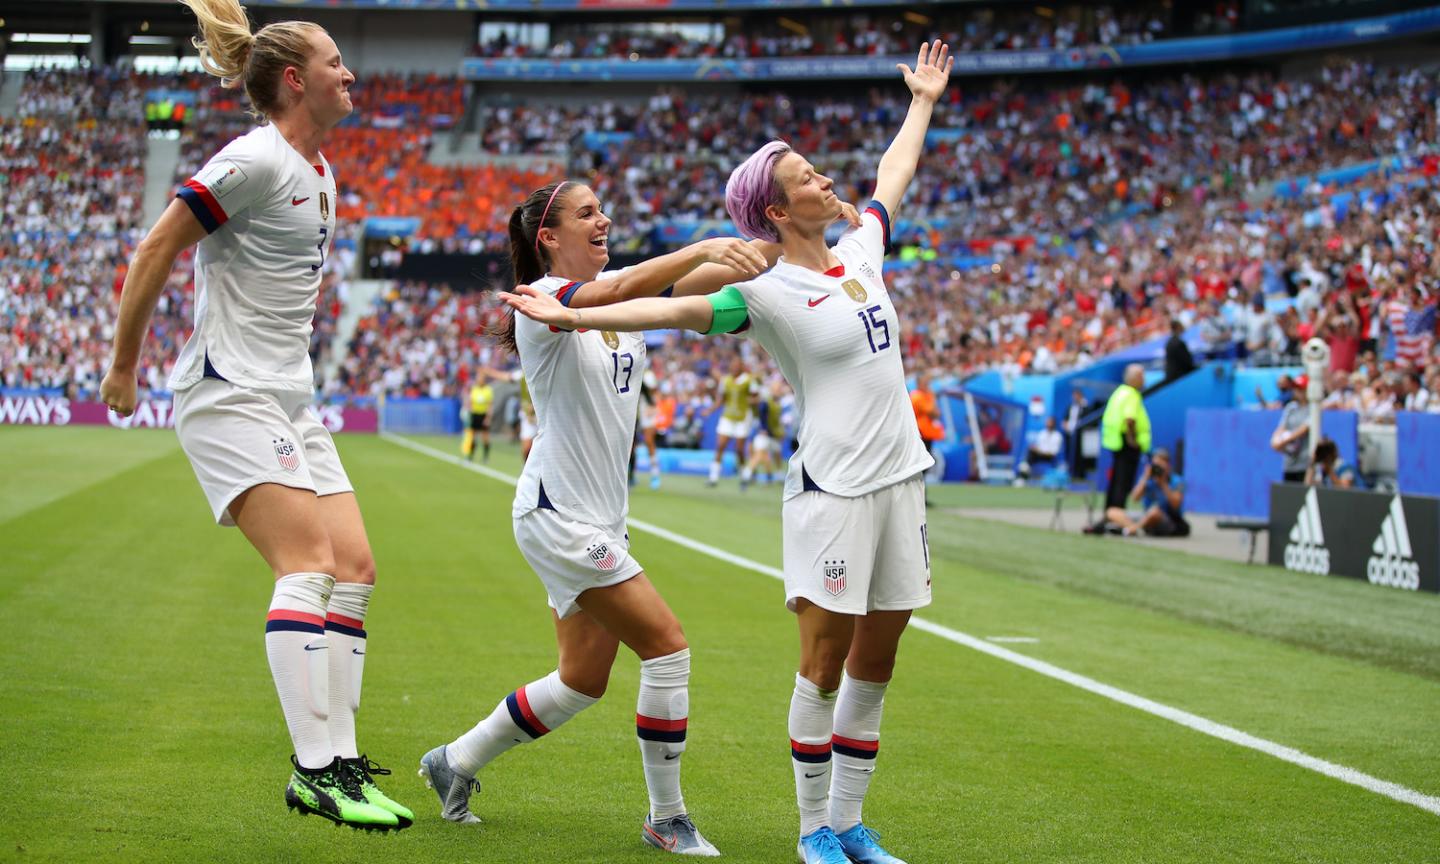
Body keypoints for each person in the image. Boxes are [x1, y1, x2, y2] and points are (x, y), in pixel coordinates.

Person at [499, 39, 953, 864]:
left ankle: (852, 824)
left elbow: (893, 179)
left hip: (902, 483)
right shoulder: (765, 291)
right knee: (823, 664)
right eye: (806, 178)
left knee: (877, 663)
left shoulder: (863, 252)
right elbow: (674, 313)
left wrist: (921, 102)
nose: (825, 180)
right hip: (833, 489)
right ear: (776, 213)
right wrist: (579, 317)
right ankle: (814, 829)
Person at [99, 0, 410, 831]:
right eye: (337, 63)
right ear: (296, 80)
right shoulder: (253, 159)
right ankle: (316, 773)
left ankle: (342, 761)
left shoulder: (319, 173)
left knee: (355, 570)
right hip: (227, 388)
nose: (351, 74)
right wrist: (124, 366)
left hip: (288, 396)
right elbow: (155, 247)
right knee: (306, 564)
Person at [419, 179, 784, 857]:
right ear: (549, 238)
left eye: (601, 209)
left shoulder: (620, 291)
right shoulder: (544, 301)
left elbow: (685, 282)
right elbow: (619, 291)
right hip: (560, 516)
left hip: (597, 518)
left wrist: (775, 243)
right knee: (668, 648)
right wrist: (703, 245)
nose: (604, 218)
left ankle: (455, 761)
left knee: (582, 680)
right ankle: (665, 819)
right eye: (586, 212)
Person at [1090, 364, 1150, 534]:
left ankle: (1110, 515)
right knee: (1123, 484)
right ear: (1134, 378)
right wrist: (1132, 440)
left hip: (1116, 443)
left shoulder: (1119, 392)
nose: (1144, 379)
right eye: (1142, 375)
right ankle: (1116, 519)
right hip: (1126, 444)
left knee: (1116, 481)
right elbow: (1130, 419)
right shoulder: (1131, 394)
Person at [1108, 448, 1189, 537]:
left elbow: (1176, 504)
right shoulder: (1148, 479)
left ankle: (1133, 528)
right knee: (1112, 512)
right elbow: (1134, 498)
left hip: (1168, 519)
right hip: (1146, 516)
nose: (1157, 468)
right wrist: (1145, 477)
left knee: (1154, 511)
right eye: (1155, 465)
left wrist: (1163, 484)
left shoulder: (1178, 481)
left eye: (1160, 465)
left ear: (1168, 465)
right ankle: (1133, 528)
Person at [710, 354, 758, 489]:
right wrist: (710, 410)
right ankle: (713, 478)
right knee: (720, 445)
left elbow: (756, 398)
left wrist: (747, 401)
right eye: (732, 365)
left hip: (742, 418)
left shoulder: (749, 380)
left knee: (739, 450)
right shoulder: (725, 380)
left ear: (742, 367)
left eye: (737, 365)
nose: (734, 367)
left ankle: (743, 475)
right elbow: (721, 399)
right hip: (727, 416)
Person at [1270, 374, 1311, 483]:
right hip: (1289, 463)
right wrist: (1275, 441)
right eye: (1296, 388)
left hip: (1305, 463)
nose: (1298, 391)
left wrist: (1282, 442)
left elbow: (1303, 429)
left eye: (1301, 388)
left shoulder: (1313, 408)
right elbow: (1281, 427)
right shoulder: (1291, 407)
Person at [462, 371, 494, 462]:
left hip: (483, 415)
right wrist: (468, 412)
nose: (479, 380)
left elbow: (490, 405)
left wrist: (488, 418)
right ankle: (470, 456)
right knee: (472, 437)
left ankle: (485, 457)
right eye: (478, 378)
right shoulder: (474, 389)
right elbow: (470, 402)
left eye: (481, 378)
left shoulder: (488, 390)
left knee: (485, 438)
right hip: (475, 414)